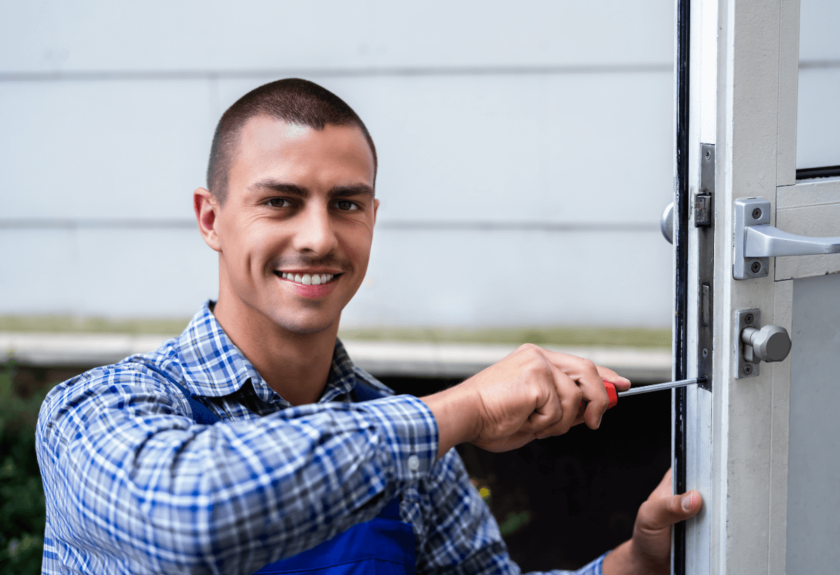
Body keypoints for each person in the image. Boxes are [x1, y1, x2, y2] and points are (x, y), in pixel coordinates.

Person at [36, 78, 701, 574]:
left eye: (346, 203)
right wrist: (462, 408)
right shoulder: (94, 410)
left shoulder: (409, 441)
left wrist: (640, 556)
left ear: (372, 219)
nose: (319, 236)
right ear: (211, 218)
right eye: (280, 202)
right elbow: (195, 516)